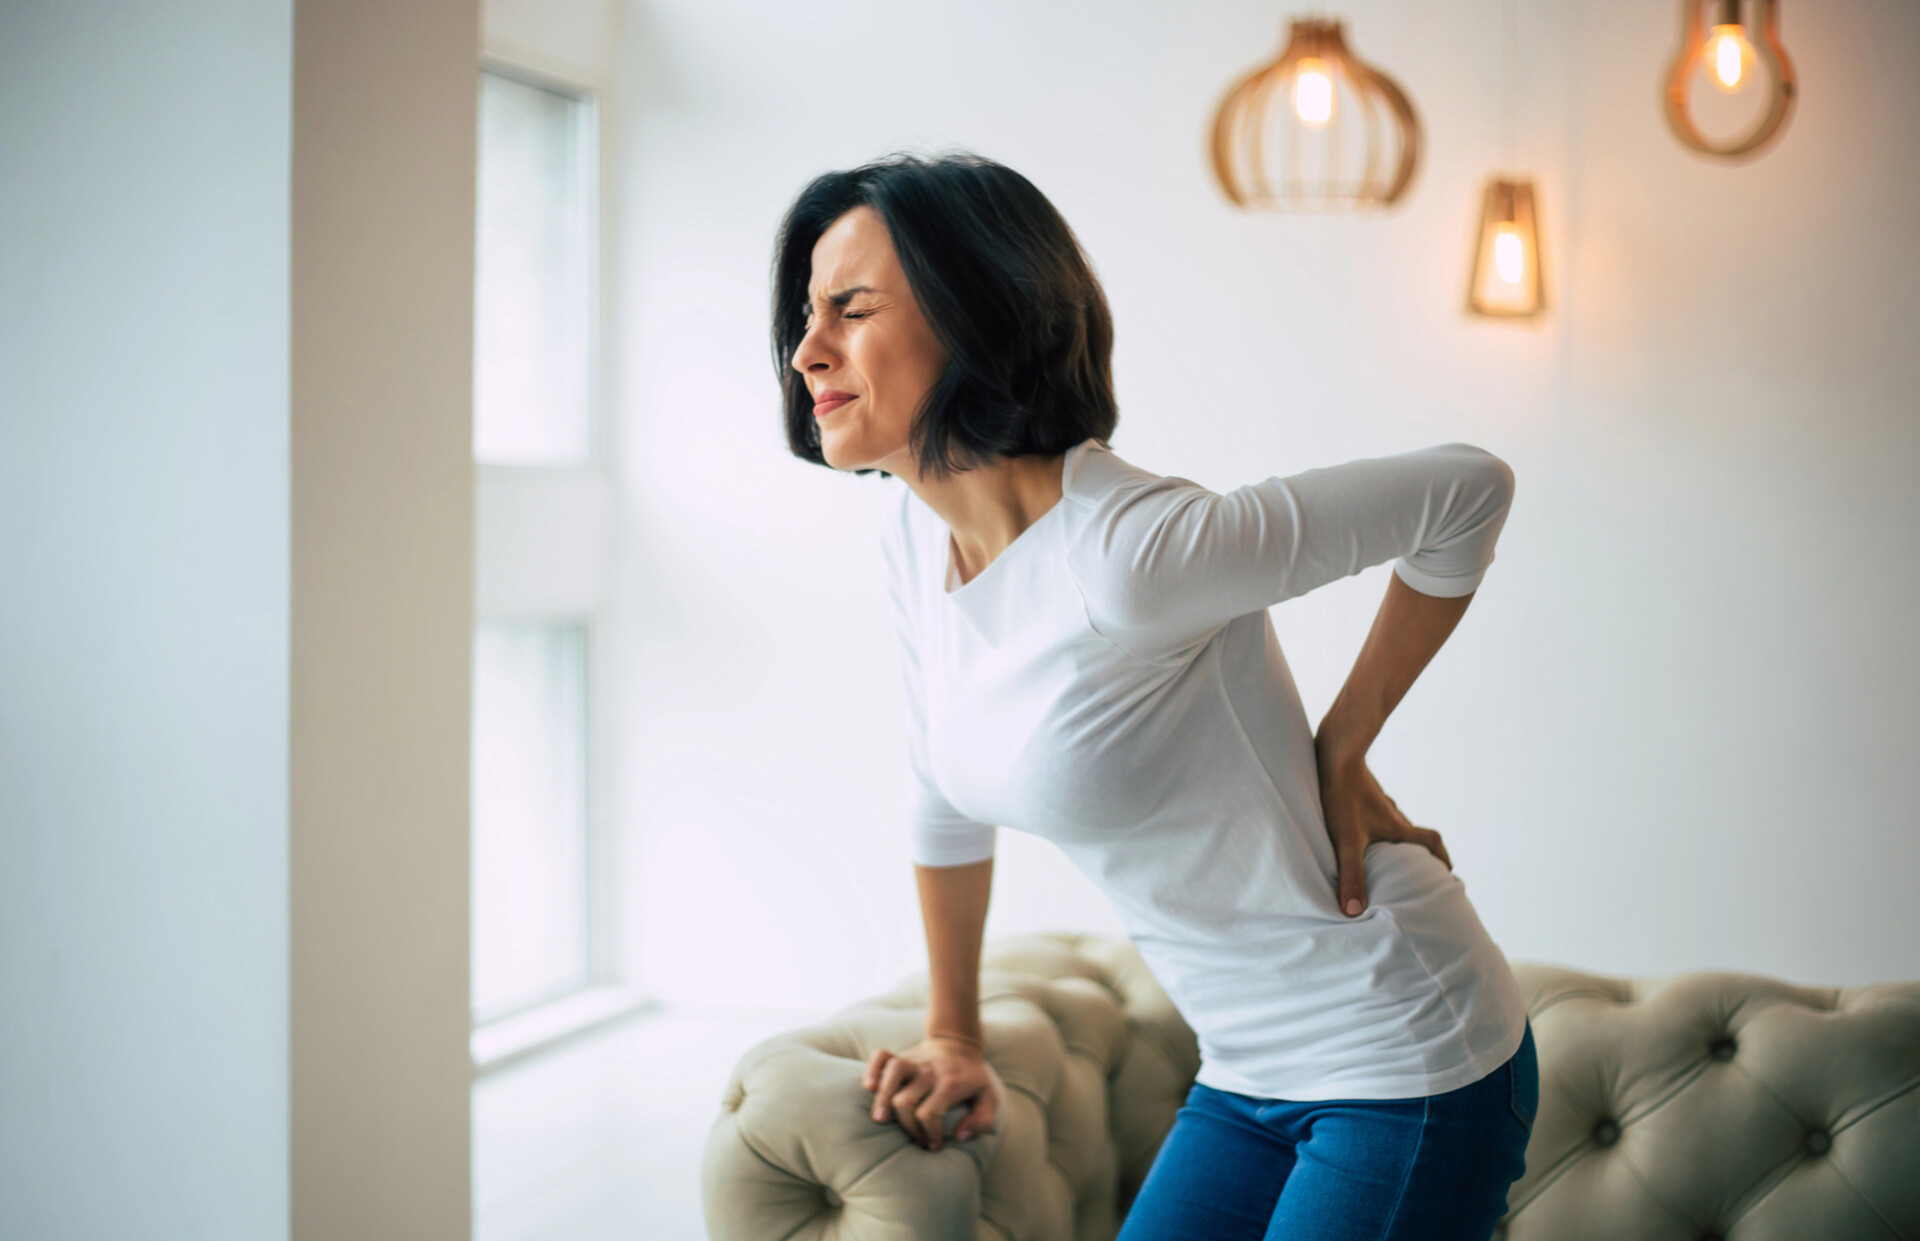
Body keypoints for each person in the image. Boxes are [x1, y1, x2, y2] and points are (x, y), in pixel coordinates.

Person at [770, 150, 1538, 1241]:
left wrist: (1343, 742)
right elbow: (942, 792)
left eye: (850, 308)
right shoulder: (914, 531)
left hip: (1404, 1052)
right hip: (1242, 1070)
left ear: (974, 314)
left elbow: (1467, 490)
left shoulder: (1128, 552)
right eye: (807, 312)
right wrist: (956, 1033)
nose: (807, 349)